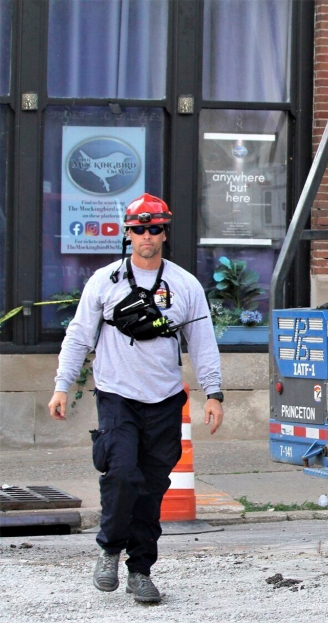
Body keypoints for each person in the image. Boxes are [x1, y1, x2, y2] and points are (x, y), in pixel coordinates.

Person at [48, 193, 224, 604]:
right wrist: (62, 385)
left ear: (165, 233)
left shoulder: (184, 285)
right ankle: (110, 549)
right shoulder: (104, 281)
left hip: (164, 399)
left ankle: (141, 570)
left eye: (156, 229)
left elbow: (202, 343)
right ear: (128, 234)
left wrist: (213, 393)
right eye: (140, 229)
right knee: (122, 473)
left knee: (151, 488)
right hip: (116, 396)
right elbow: (78, 337)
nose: (148, 236)